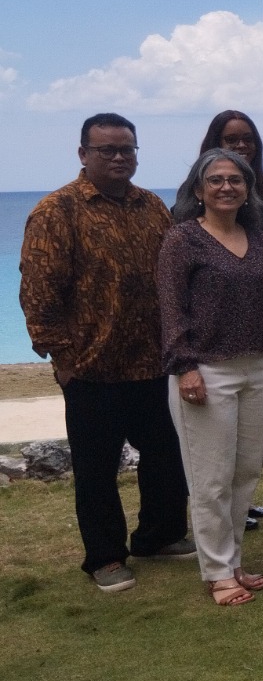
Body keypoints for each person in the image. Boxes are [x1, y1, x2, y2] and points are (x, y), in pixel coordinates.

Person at [20, 114, 194, 592]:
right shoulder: (57, 211)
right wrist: (61, 357)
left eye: (128, 149)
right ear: (83, 154)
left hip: (152, 363)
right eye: (107, 150)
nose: (120, 158)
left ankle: (158, 537)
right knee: (96, 472)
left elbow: (174, 277)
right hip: (92, 369)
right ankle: (105, 557)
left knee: (166, 458)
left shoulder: (152, 206)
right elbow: (38, 291)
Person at [157, 149, 263, 606]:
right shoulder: (182, 240)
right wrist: (185, 367)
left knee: (244, 472)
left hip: (257, 366)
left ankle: (234, 560)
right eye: (215, 180)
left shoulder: (254, 235)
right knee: (210, 478)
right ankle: (217, 571)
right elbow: (171, 309)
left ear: (247, 188)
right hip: (207, 370)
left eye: (235, 180)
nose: (226, 187)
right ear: (198, 190)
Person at [201, 109, 263, 258]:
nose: (242, 145)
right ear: (216, 143)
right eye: (231, 140)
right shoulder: (200, 187)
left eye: (248, 139)